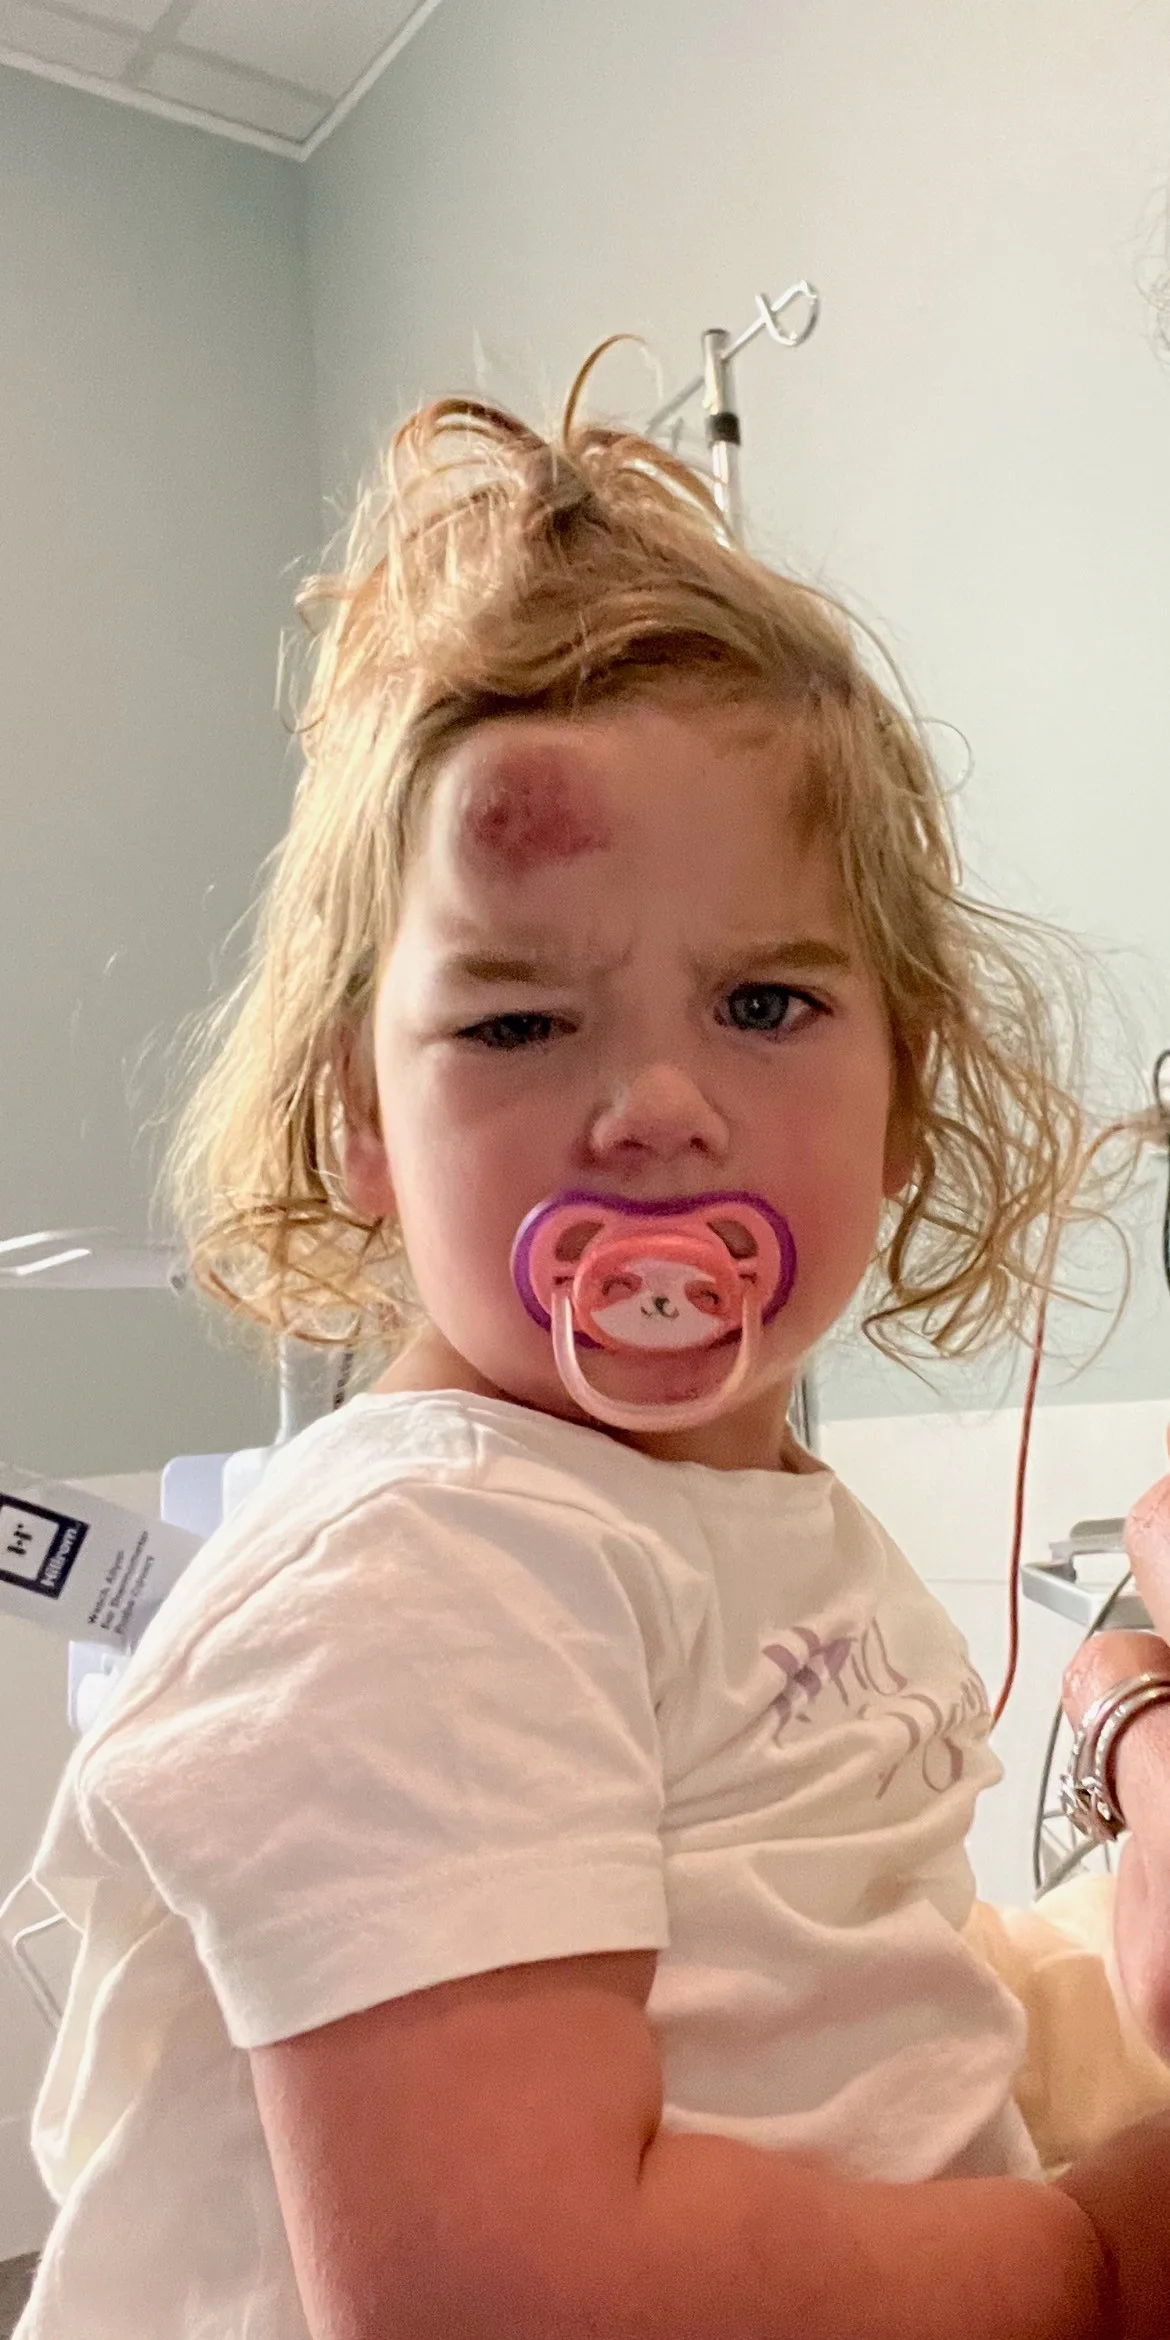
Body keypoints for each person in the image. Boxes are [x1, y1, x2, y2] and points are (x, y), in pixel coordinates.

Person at [14, 367, 1170, 2340]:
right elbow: (516, 2289)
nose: (652, 1107)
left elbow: (822, 1985)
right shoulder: (432, 1572)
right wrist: (1073, 2259)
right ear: (360, 1127)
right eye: (520, 1027)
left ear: (906, 1094)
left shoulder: (738, 1514)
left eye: (766, 999)